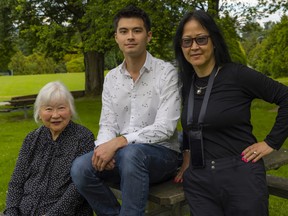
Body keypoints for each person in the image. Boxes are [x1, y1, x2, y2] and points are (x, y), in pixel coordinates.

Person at [173, 10, 288, 216]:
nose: (194, 47)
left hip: (240, 176)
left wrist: (272, 142)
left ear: (214, 41)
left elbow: (286, 96)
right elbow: (193, 126)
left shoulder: (237, 75)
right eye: (187, 41)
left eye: (201, 39)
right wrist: (187, 158)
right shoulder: (187, 83)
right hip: (199, 182)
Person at [70, 5, 181, 216]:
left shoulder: (166, 73)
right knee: (80, 167)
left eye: (137, 31)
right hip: (124, 155)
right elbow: (108, 123)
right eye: (124, 31)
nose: (130, 37)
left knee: (132, 153)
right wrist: (105, 148)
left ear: (148, 36)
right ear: (116, 37)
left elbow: (166, 128)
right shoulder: (111, 78)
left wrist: (119, 142)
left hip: (163, 155)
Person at [4, 81, 94, 216]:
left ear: (70, 110)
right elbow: (16, 182)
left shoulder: (84, 138)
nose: (55, 115)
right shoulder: (31, 139)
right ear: (39, 112)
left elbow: (78, 189)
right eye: (48, 109)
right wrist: (11, 212)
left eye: (61, 108)